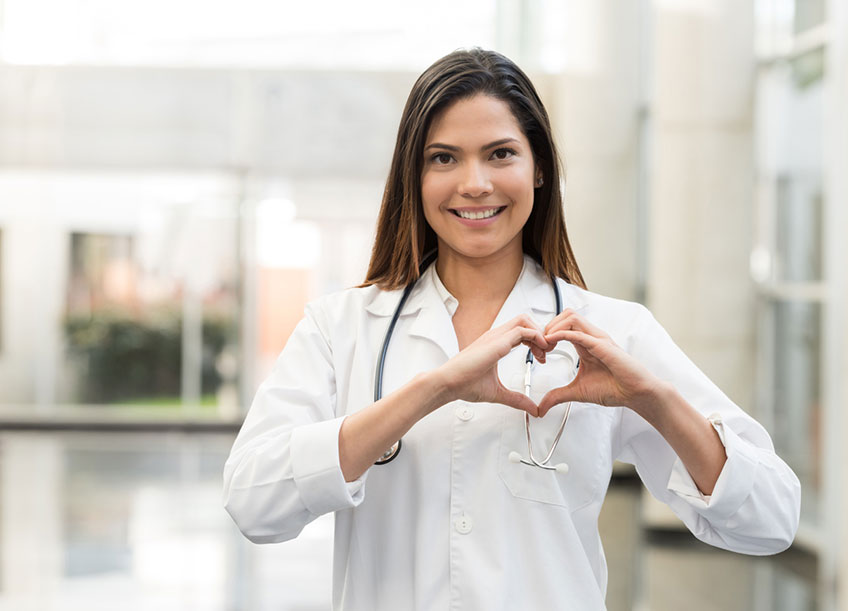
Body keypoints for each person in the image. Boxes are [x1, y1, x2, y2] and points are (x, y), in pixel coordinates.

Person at [223, 48, 801, 610]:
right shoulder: (340, 327)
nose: (474, 184)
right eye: (443, 158)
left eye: (500, 154)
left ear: (539, 167)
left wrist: (655, 400)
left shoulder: (613, 332)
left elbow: (771, 519)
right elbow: (254, 502)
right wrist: (434, 389)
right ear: (413, 176)